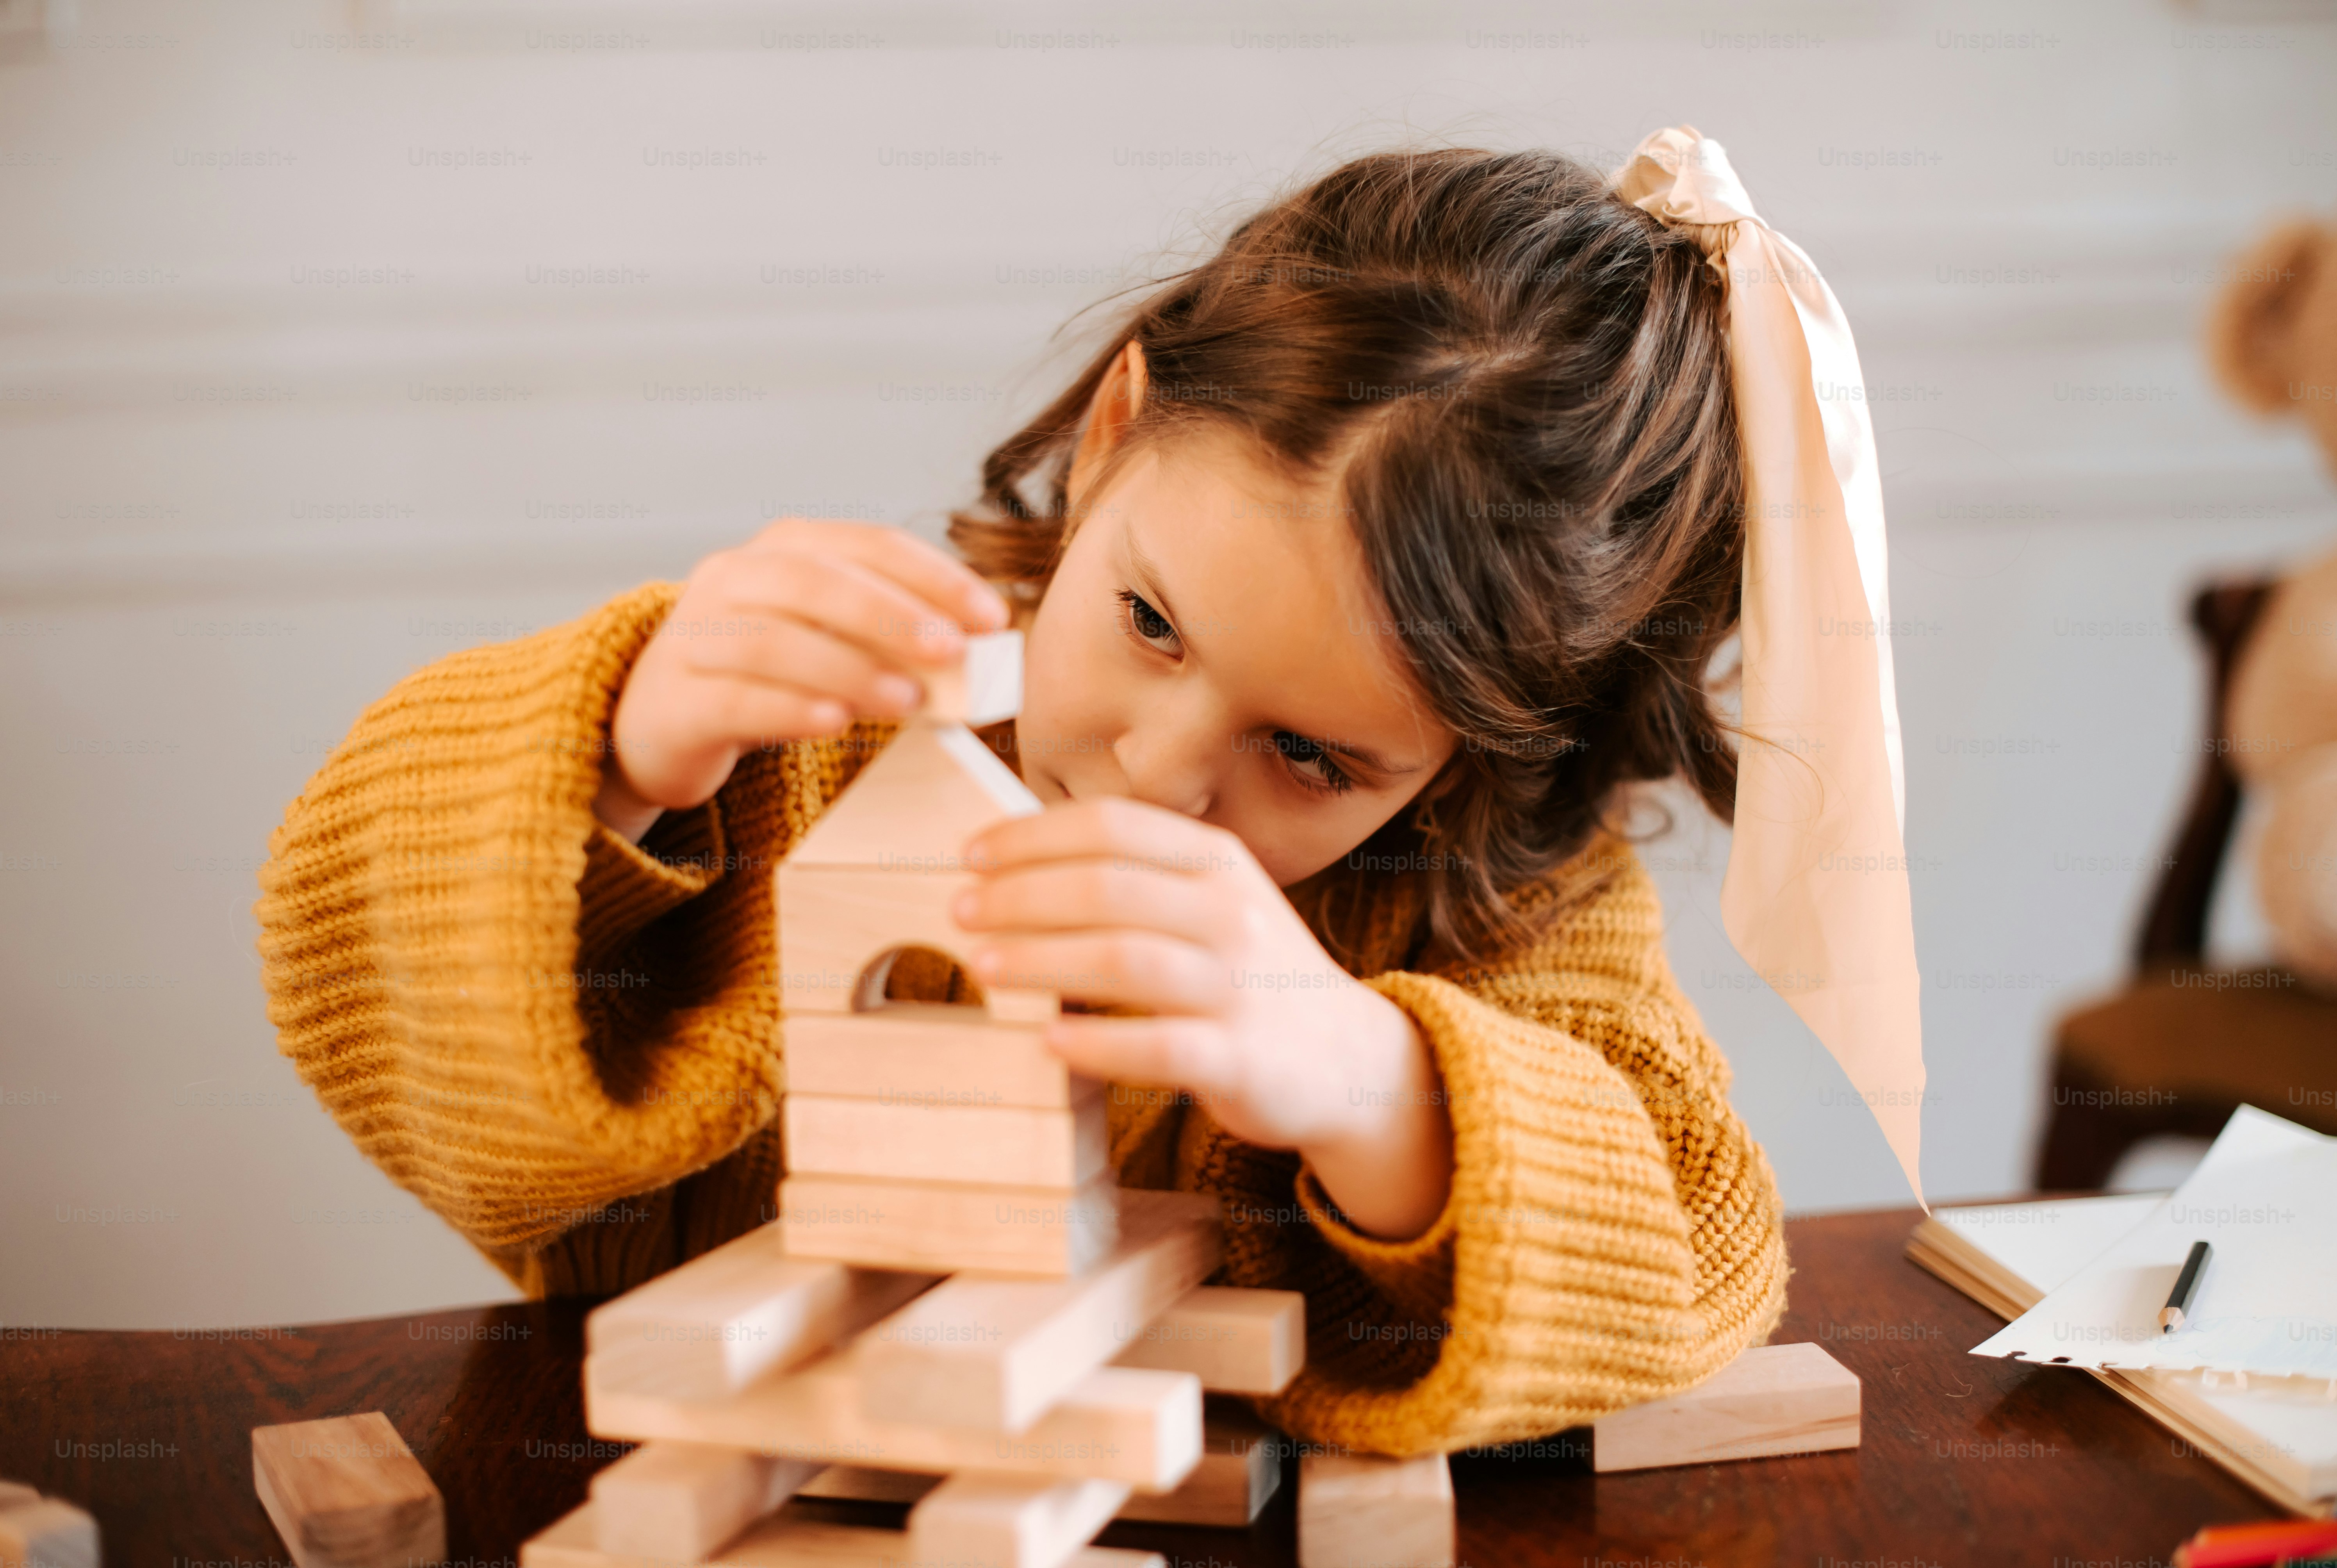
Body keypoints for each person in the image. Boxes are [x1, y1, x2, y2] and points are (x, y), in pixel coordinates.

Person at [257, 143, 1800, 1458]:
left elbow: (1701, 1247)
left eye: (1314, 755)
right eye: (1149, 624)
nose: (1158, 767)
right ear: (1114, 434)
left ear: (1492, 754)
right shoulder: (813, 731)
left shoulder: (1496, 903)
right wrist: (614, 758)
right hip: (713, 1471)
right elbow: (355, 968)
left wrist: (1367, 1076)